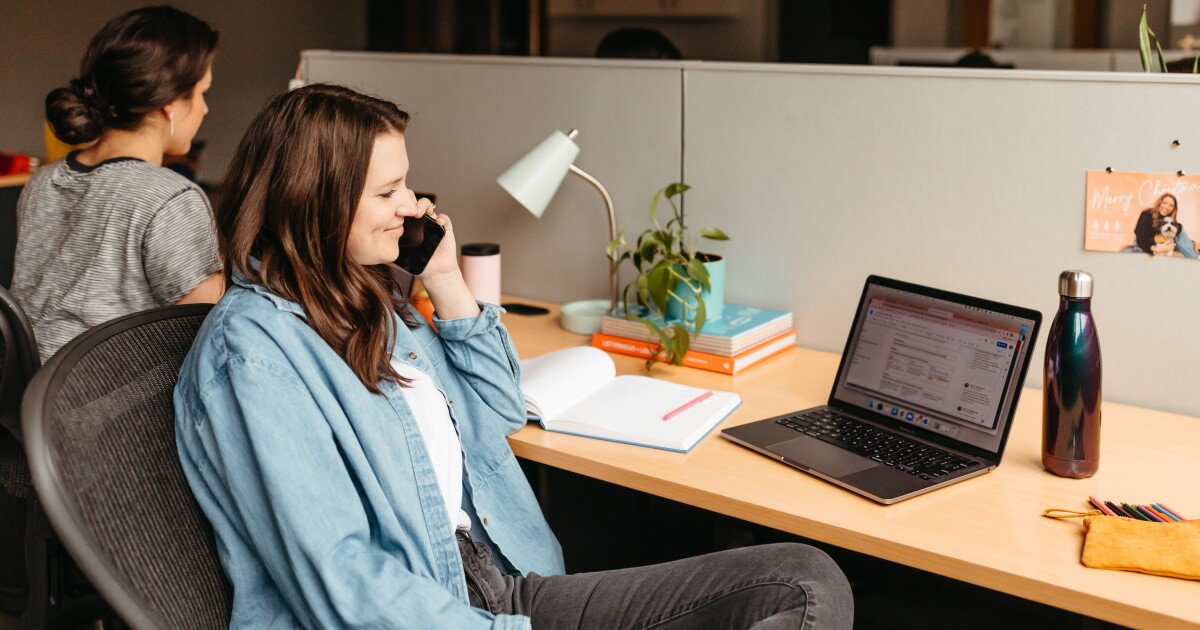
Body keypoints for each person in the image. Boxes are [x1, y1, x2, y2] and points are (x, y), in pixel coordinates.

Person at [174, 83, 853, 629]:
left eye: (405, 185)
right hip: (438, 611)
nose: (410, 207)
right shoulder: (253, 358)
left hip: (502, 584)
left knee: (802, 581)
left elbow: (498, 408)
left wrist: (441, 277)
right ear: (313, 202)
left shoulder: (364, 301)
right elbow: (342, 583)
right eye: (387, 193)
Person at [12, 5, 223, 361]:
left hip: (32, 401)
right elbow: (209, 335)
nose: (204, 108)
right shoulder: (170, 198)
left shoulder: (42, 181)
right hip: (114, 409)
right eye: (202, 92)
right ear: (170, 104)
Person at [1132, 192, 1198, 258]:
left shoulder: (1170, 221)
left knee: (1179, 229)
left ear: (1174, 209)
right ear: (1159, 202)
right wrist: (1156, 249)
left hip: (1164, 246)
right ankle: (1195, 256)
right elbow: (1140, 236)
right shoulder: (1147, 214)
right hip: (1145, 246)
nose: (1167, 207)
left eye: (1171, 206)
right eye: (1164, 203)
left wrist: (1193, 244)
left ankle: (1195, 256)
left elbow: (1179, 238)